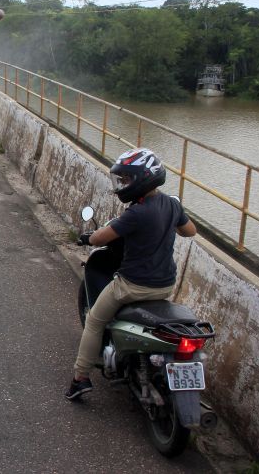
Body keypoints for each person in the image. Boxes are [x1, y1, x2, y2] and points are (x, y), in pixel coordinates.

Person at [65, 148, 197, 400]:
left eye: (126, 179)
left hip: (132, 285)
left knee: (94, 320)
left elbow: (101, 237)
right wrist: (175, 217)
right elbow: (190, 231)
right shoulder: (171, 204)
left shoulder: (136, 213)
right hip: (165, 285)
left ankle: (80, 379)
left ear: (142, 179)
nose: (122, 184)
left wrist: (88, 237)